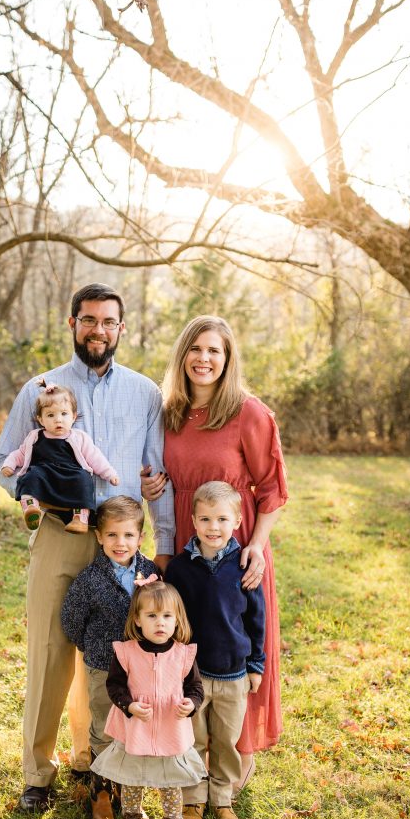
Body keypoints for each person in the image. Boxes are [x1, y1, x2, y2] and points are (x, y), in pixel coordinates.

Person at [0, 283, 175, 812]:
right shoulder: (41, 390)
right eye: (89, 320)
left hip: (122, 542)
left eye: (108, 321)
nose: (99, 330)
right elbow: (4, 461)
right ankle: (37, 773)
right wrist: (37, 492)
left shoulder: (144, 393)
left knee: (111, 655)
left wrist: (161, 542)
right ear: (72, 323)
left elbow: (156, 472)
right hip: (60, 532)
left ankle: (100, 765)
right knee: (50, 652)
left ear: (121, 328)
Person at [143, 314, 287, 792]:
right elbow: (158, 474)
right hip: (185, 543)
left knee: (234, 637)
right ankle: (192, 749)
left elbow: (272, 490)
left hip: (236, 547)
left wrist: (256, 547)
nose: (204, 359)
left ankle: (238, 750)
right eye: (196, 348)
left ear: (227, 360)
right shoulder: (169, 413)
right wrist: (151, 487)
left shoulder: (249, 413)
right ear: (183, 354)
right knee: (190, 639)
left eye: (214, 351)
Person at [165, 481, 265, 819]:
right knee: (191, 739)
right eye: (205, 519)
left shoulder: (244, 566)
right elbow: (172, 621)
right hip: (192, 675)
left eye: (222, 519)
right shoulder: (179, 569)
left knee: (225, 741)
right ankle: (193, 800)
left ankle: (222, 799)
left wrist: (255, 665)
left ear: (237, 521)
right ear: (193, 520)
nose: (213, 527)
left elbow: (256, 619)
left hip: (234, 675)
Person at [61, 495, 160, 819]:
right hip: (103, 666)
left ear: (140, 538)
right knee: (104, 728)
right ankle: (101, 791)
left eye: (128, 535)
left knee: (134, 731)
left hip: (141, 669)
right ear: (99, 536)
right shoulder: (90, 579)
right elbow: (72, 619)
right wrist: (91, 647)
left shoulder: (151, 572)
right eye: (113, 535)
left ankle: (129, 795)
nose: (121, 543)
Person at [91, 580, 206, 819]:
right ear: (138, 620)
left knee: (170, 782)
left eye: (167, 616)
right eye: (151, 616)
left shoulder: (183, 654)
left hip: (170, 728)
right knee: (132, 778)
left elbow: (195, 688)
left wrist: (191, 704)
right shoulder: (126, 652)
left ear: (177, 620)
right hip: (136, 728)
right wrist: (129, 705)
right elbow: (115, 686)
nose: (160, 623)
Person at [1, 383, 119, 534]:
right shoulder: (35, 436)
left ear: (73, 416)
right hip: (44, 473)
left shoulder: (79, 437)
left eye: (64, 414)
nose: (58, 420)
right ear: (41, 420)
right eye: (50, 415)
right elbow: (20, 454)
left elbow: (95, 457)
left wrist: (109, 473)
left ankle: (80, 518)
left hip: (71, 474)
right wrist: (9, 465)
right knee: (30, 476)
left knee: (84, 479)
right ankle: (30, 507)